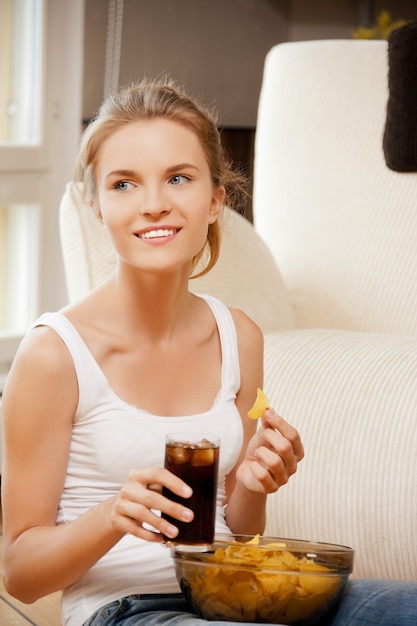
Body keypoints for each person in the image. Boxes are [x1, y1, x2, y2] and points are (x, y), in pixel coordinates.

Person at [1, 77, 416, 626]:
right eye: (124, 184)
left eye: (178, 178)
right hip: (127, 609)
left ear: (216, 200)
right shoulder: (55, 352)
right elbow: (19, 574)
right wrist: (110, 516)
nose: (153, 204)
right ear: (99, 206)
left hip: (236, 588)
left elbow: (240, 529)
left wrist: (250, 484)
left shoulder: (239, 336)